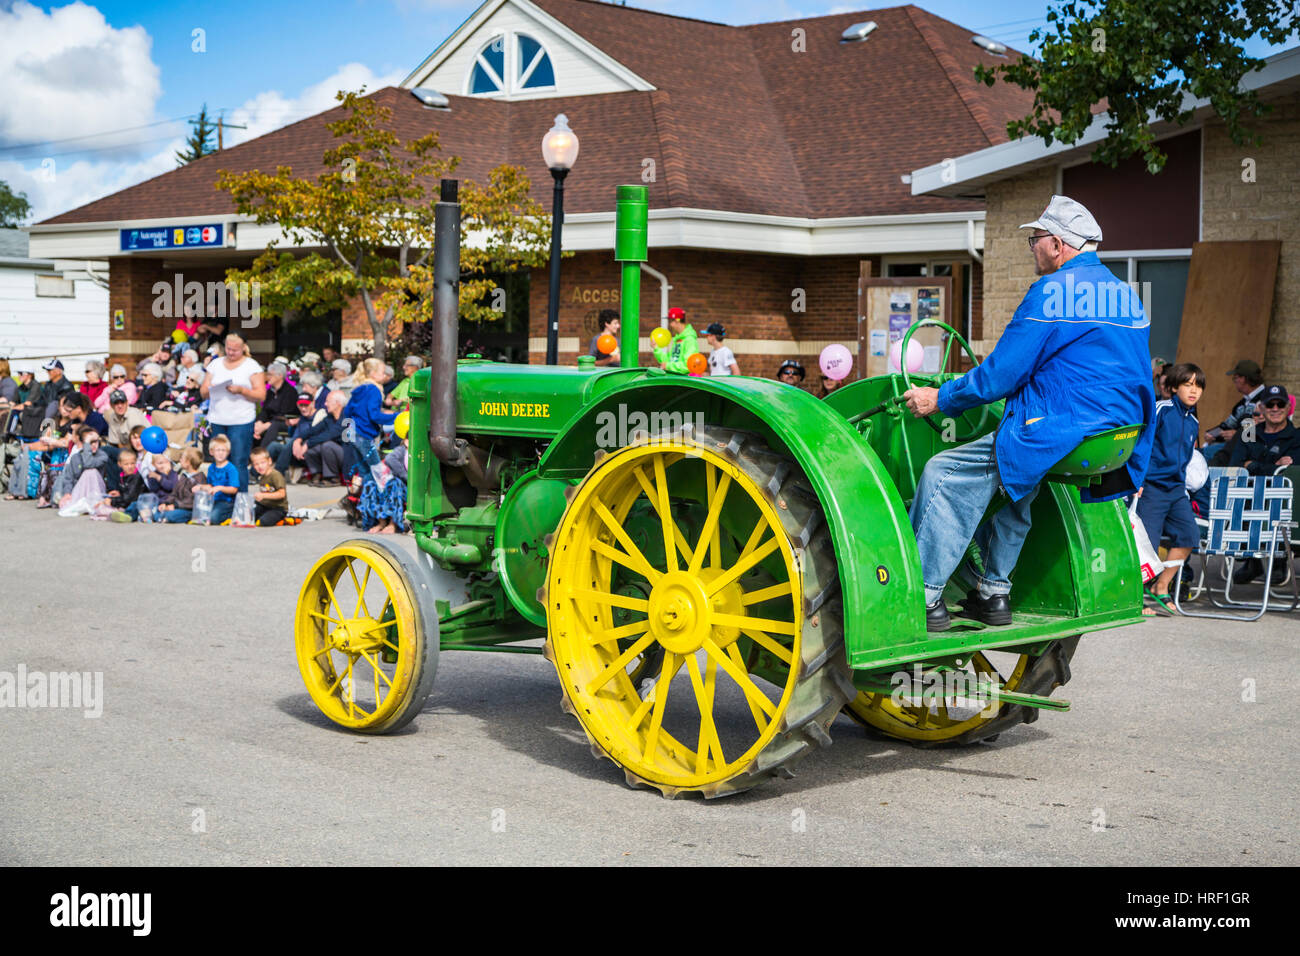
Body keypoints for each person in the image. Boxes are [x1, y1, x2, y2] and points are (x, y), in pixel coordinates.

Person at [902, 194, 1155, 631]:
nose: (1032, 248)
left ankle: (923, 598)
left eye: (1035, 239)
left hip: (1065, 426)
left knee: (943, 472)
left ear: (1058, 245)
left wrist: (938, 399)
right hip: (1116, 436)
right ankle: (993, 593)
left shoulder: (1053, 292)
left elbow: (1000, 376)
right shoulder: (1123, 294)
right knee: (1018, 481)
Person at [1134, 363, 1204, 613]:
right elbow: (1143, 444)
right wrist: (1137, 480)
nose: (1193, 391)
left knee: (1189, 537)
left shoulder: (1194, 422)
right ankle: (1135, 598)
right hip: (1151, 488)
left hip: (1176, 491)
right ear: (1174, 388)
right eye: (1187, 385)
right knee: (1147, 545)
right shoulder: (1161, 409)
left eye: (1198, 386)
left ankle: (1161, 586)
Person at [200, 333, 265, 491]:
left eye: (235, 350)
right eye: (228, 349)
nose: (231, 352)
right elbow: (203, 392)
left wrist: (242, 390)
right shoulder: (216, 365)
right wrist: (212, 388)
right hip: (218, 419)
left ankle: (240, 500)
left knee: (238, 461)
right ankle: (221, 497)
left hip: (241, 420)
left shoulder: (252, 366)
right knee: (220, 461)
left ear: (243, 348)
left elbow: (261, 395)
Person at [1203, 359, 1265, 464]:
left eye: (1235, 378)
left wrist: (1237, 434)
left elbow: (1265, 430)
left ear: (1243, 379)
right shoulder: (1242, 403)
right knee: (1203, 452)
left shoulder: (1267, 399)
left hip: (1252, 450)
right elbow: (1228, 424)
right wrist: (1211, 434)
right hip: (1234, 445)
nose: (1234, 382)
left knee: (1203, 454)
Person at [1229, 384, 1299, 475]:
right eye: (1270, 405)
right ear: (1261, 408)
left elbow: (1290, 472)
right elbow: (1235, 468)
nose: (1275, 409)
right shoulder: (1249, 433)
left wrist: (1250, 465)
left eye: (1280, 404)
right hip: (1248, 489)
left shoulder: (1297, 437)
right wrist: (1275, 466)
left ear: (1288, 407)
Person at [342, 358, 396, 476]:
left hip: (353, 434)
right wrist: (396, 417)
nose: (385, 375)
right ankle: (380, 494)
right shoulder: (374, 390)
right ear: (373, 374)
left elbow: (347, 411)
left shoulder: (359, 389)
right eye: (382, 372)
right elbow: (374, 416)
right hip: (365, 435)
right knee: (377, 471)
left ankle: (365, 494)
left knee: (364, 471)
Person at [358, 441, 408, 533]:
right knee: (371, 485)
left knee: (395, 485)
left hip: (409, 488)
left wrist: (406, 478)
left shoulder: (421, 453)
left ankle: (393, 524)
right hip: (396, 481)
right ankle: (381, 522)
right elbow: (389, 459)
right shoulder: (401, 451)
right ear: (406, 441)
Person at [195, 434, 240, 524]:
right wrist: (200, 487)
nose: (220, 453)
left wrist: (219, 488)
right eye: (218, 450)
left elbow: (234, 489)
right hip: (214, 500)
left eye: (223, 450)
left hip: (227, 502)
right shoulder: (211, 467)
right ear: (211, 452)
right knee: (199, 515)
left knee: (213, 518)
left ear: (228, 452)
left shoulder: (231, 468)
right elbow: (210, 485)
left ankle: (232, 514)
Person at [253, 361, 299, 447]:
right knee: (251, 424)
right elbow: (265, 410)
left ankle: (263, 453)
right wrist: (259, 422)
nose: (267, 377)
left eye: (270, 375)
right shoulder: (270, 391)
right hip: (270, 421)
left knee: (274, 426)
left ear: (280, 376)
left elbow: (284, 414)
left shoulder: (290, 392)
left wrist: (265, 426)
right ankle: (251, 455)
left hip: (285, 422)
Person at [159, 447, 205, 524]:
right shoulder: (183, 476)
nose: (180, 460)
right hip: (178, 507)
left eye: (182, 458)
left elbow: (192, 500)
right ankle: (164, 517)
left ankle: (168, 517)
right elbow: (174, 493)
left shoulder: (199, 478)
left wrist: (175, 506)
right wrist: (166, 503)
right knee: (159, 512)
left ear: (188, 463)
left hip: (189, 509)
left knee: (171, 515)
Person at [249, 447, 289, 526]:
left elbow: (282, 494)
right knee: (249, 517)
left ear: (269, 461)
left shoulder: (275, 475)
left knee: (263, 522)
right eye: (256, 464)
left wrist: (263, 495)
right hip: (265, 506)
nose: (260, 466)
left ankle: (283, 519)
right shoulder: (262, 476)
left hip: (278, 508)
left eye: (263, 463)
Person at [653, 308, 698, 374]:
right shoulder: (678, 340)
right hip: (676, 380)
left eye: (670, 321)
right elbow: (667, 360)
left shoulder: (690, 340)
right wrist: (656, 348)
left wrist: (668, 366)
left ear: (677, 321)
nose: (670, 325)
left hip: (683, 382)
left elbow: (688, 365)